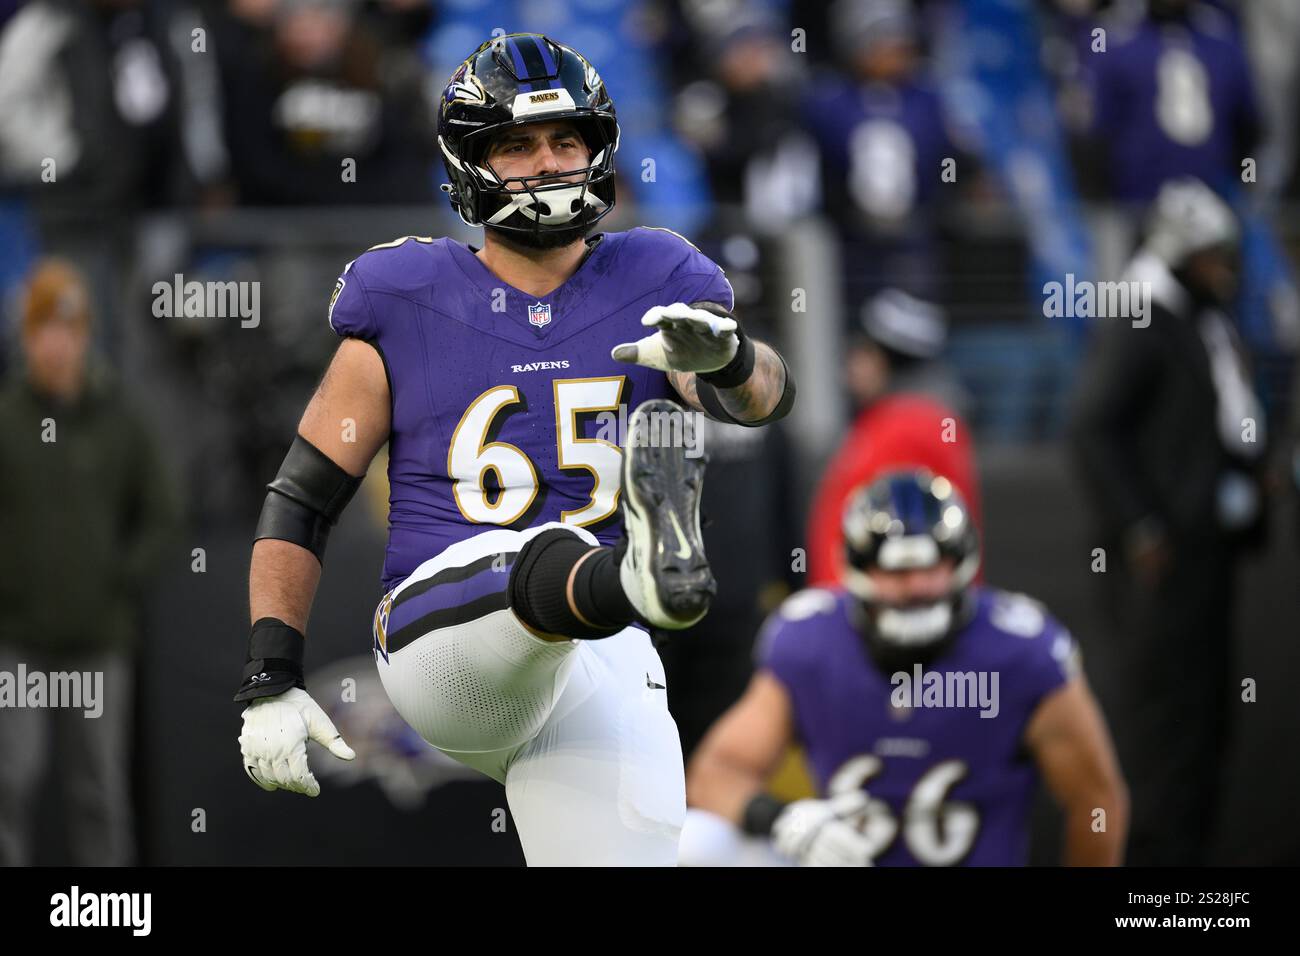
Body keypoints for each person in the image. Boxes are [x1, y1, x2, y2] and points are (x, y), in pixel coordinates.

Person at [232, 33, 795, 866]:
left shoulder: (654, 273)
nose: (547, 161)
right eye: (518, 144)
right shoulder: (406, 296)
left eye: (566, 140)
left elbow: (761, 402)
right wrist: (270, 673)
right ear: (471, 162)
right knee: (525, 554)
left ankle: (629, 581)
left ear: (598, 149)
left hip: (600, 651)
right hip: (446, 642)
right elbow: (304, 498)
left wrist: (732, 359)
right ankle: (632, 574)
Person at [685, 470, 1127, 866]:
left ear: (961, 560)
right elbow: (716, 773)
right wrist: (785, 821)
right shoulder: (812, 643)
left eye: (932, 567)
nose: (916, 587)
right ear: (858, 568)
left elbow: (1096, 800)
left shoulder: (1020, 652)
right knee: (697, 841)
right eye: (896, 571)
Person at [1069, 177, 1269, 865]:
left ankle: (1190, 854)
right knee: (1162, 714)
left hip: (1208, 551)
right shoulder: (1140, 320)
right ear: (1181, 256)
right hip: (1162, 563)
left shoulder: (1202, 319)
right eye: (1212, 256)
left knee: (1206, 711)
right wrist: (1141, 526)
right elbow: (1093, 430)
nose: (1226, 269)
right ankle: (1153, 862)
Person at [0, 258, 178, 865]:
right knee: (11, 780)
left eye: (69, 330)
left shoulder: (118, 420)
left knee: (98, 785)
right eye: (45, 329)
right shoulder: (8, 421)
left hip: (99, 639)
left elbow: (162, 509)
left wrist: (118, 576)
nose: (57, 344)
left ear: (86, 336)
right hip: (16, 639)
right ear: (27, 338)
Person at [807, 289, 980, 587]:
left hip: (888, 612)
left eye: (862, 352)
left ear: (886, 361)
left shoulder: (910, 427)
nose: (851, 365)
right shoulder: (897, 420)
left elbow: (905, 542)